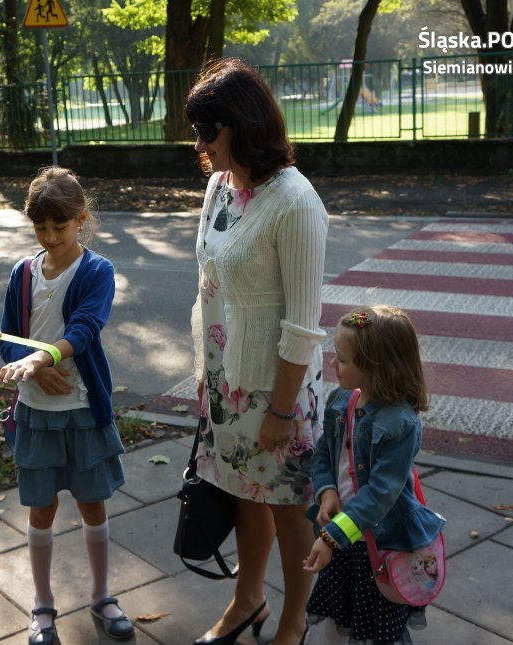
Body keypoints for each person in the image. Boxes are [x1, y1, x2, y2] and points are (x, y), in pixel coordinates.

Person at [186, 58, 329, 645]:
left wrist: (281, 410)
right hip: (228, 382)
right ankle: (248, 599)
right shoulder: (220, 186)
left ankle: (295, 617)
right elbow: (208, 283)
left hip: (276, 389)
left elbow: (303, 326)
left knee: (289, 507)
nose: (199, 145)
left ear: (241, 125)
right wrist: (204, 371)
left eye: (207, 131)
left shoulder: (296, 203)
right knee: (242, 492)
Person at [0, 166, 132, 645]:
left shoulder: (97, 271)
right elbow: (7, 338)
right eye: (41, 228)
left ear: (81, 219)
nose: (51, 237)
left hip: (82, 410)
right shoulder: (23, 273)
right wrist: (29, 364)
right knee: (41, 509)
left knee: (92, 504)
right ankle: (42, 606)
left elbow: (85, 327)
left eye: (60, 226)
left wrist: (42, 357)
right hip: (36, 413)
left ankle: (102, 595)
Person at [303, 305, 446, 643]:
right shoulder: (341, 401)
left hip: (380, 545)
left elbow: (381, 495)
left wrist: (330, 537)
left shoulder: (400, 424)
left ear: (375, 367)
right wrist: (327, 490)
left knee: (376, 629)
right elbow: (323, 453)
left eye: (342, 359)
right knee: (339, 617)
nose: (333, 364)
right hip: (342, 540)